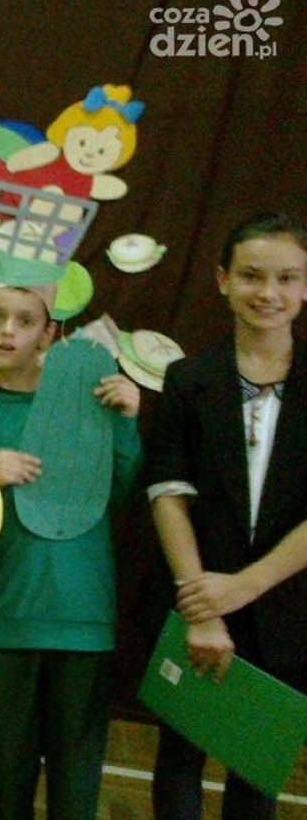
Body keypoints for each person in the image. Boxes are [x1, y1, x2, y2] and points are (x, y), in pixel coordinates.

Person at [0, 262, 141, 819]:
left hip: (82, 616)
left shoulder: (87, 401)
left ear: (49, 333)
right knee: (6, 757)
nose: (7, 331)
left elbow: (124, 495)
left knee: (75, 764)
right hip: (8, 613)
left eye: (25, 321)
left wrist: (127, 420)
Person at [146, 211, 307, 820]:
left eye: (287, 278)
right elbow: (167, 493)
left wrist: (247, 586)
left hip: (287, 607)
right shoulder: (188, 379)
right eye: (251, 275)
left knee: (255, 776)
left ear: (305, 286)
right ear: (222, 280)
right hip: (197, 599)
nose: (268, 293)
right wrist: (203, 606)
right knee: (178, 764)